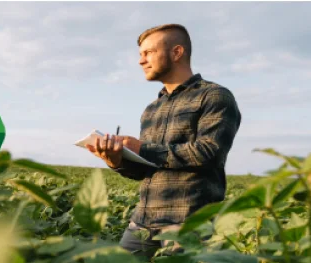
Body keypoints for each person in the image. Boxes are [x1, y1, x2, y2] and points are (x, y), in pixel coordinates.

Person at [85, 23, 241, 260]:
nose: (141, 61)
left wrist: (142, 147)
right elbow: (147, 169)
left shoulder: (214, 96)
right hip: (142, 222)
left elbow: (210, 152)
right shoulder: (151, 110)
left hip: (188, 224)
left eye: (149, 52)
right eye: (140, 54)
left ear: (177, 53)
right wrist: (117, 161)